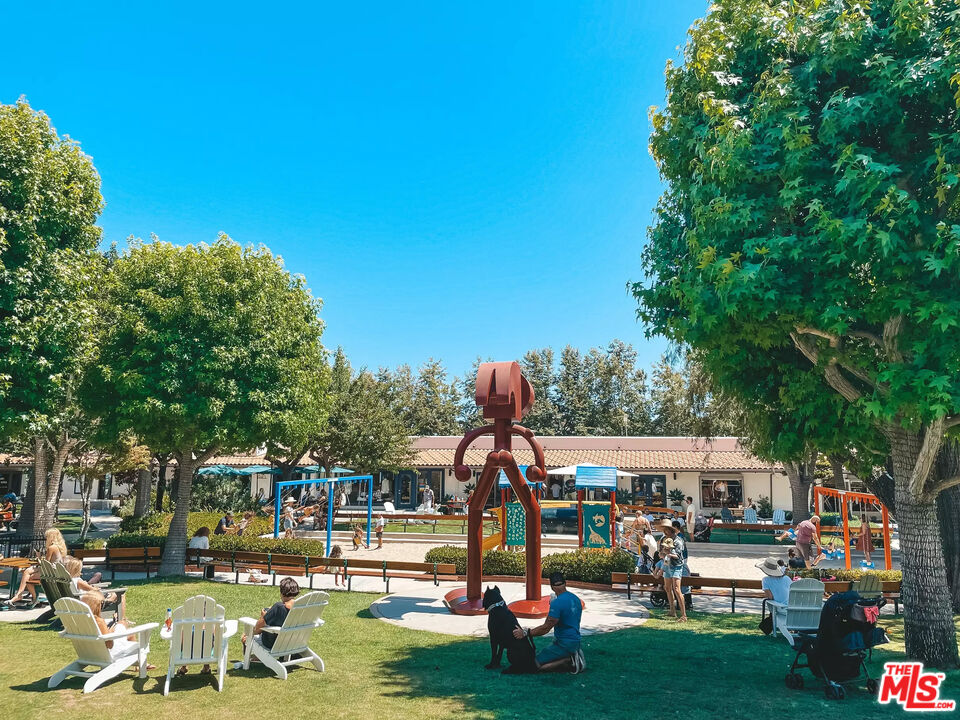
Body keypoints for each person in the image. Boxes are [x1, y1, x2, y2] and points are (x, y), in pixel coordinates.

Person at [512, 572, 585, 674]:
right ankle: (571, 655)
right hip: (575, 642)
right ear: (565, 583)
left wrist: (525, 633)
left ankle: (568, 660)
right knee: (544, 655)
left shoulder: (557, 603)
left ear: (552, 587)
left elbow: (545, 628)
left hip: (563, 644)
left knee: (533, 666)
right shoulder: (575, 599)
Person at [80, 591, 156, 670]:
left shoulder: (79, 621)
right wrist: (111, 632)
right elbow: (109, 644)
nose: (102, 606)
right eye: (101, 604)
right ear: (96, 606)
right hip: (109, 654)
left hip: (90, 653)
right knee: (123, 626)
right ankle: (140, 662)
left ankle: (138, 663)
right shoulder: (99, 622)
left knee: (128, 632)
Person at [8, 527, 67, 604]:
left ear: (51, 537)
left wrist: (38, 557)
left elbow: (45, 564)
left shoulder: (51, 547)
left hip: (51, 572)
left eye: (47, 537)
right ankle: (20, 595)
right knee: (27, 571)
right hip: (56, 571)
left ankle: (30, 597)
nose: (46, 539)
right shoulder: (60, 547)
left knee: (29, 577)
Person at [242, 577, 300, 652]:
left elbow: (258, 628)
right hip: (292, 642)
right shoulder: (301, 608)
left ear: (282, 592)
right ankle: (257, 659)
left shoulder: (278, 607)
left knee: (245, 637)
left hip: (272, 643)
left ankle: (249, 660)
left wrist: (263, 616)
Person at [656, 522, 687, 622]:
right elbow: (660, 552)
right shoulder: (663, 539)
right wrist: (661, 554)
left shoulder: (678, 541)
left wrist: (668, 553)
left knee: (677, 589)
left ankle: (683, 615)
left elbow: (678, 556)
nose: (665, 532)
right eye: (664, 530)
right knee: (667, 588)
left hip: (676, 566)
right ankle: (672, 611)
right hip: (667, 565)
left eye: (666, 530)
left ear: (671, 530)